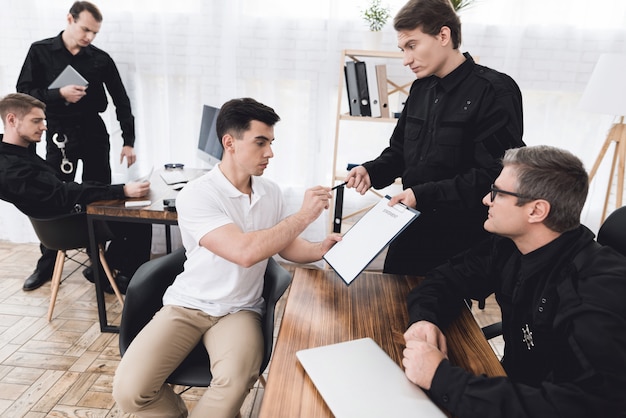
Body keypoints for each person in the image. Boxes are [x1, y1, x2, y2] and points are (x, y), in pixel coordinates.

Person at [112, 97, 341, 417]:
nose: (270, 153)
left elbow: (282, 243)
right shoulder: (197, 194)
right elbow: (244, 253)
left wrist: (318, 249)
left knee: (233, 383)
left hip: (240, 311)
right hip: (188, 304)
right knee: (130, 392)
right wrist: (304, 216)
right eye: (260, 142)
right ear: (229, 142)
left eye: (271, 143)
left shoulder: (271, 192)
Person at [402, 145, 626, 417]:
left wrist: (440, 378)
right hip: (509, 388)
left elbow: (586, 407)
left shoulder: (596, 291)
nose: (486, 199)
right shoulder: (510, 245)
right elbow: (446, 277)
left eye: (497, 192)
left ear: (536, 211)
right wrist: (424, 319)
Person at [344, 0, 525, 275]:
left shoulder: (495, 91)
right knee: (391, 304)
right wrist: (371, 170)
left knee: (434, 314)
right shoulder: (420, 89)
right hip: (410, 224)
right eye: (402, 49)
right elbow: (399, 152)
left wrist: (423, 195)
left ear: (443, 35)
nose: (406, 59)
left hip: (460, 239)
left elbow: (496, 174)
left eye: (412, 45)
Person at [0, 93, 152, 292]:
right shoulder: (11, 168)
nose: (44, 127)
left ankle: (103, 269)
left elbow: (61, 191)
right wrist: (121, 190)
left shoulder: (18, 151)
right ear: (12, 120)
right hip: (64, 225)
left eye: (43, 121)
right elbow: (64, 193)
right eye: (36, 121)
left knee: (126, 206)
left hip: (64, 212)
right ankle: (128, 283)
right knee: (139, 219)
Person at [16, 1, 137, 185]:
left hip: (94, 132)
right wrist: (59, 94)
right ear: (70, 19)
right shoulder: (40, 51)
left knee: (100, 192)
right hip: (59, 133)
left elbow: (121, 100)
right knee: (58, 191)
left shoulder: (101, 59)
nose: (89, 37)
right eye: (85, 29)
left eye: (95, 33)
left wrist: (128, 142)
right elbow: (23, 94)